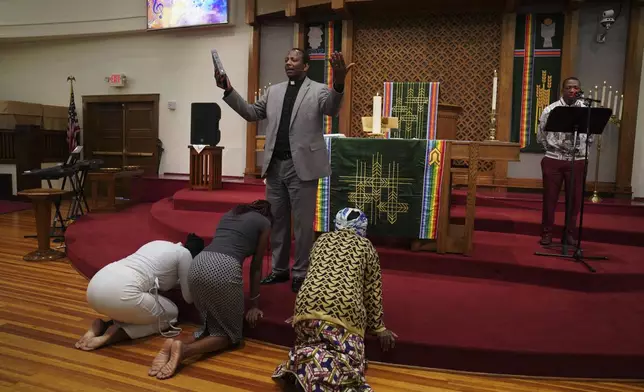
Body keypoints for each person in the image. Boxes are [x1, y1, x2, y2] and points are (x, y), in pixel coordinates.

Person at [215, 48, 354, 293]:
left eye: (294, 59)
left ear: (306, 65)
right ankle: (279, 270)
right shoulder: (274, 91)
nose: (289, 62)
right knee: (277, 221)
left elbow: (332, 108)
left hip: (302, 166)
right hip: (275, 166)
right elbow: (250, 113)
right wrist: (228, 89)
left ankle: (301, 272)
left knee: (302, 225)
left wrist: (339, 82)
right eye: (286, 59)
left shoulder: (318, 90)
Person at [272, 207, 397, 392]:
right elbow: (372, 291)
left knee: (312, 343)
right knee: (346, 359)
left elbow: (316, 275)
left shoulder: (321, 240)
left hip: (306, 307)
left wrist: (303, 312)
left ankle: (303, 369)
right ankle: (320, 380)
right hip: (343, 313)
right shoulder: (366, 247)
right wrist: (379, 327)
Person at [148, 200, 272, 380]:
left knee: (209, 327)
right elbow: (256, 266)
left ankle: (173, 345)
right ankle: (184, 350)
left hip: (198, 263)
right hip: (223, 268)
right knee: (230, 335)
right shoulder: (265, 222)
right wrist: (254, 304)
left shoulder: (231, 214)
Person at [75, 234, 205, 351]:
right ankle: (116, 334)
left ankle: (105, 324)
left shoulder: (157, 243)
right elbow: (188, 298)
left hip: (95, 286)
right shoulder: (185, 254)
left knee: (133, 307)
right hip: (120, 293)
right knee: (171, 315)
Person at [536, 77, 592, 246]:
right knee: (550, 199)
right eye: (568, 87)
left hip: (578, 160)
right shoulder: (550, 110)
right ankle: (547, 233)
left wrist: (580, 151)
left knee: (574, 200)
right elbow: (541, 136)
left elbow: (591, 136)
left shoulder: (587, 110)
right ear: (563, 90)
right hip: (554, 159)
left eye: (575, 87)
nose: (572, 90)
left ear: (579, 90)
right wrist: (555, 149)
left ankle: (569, 233)